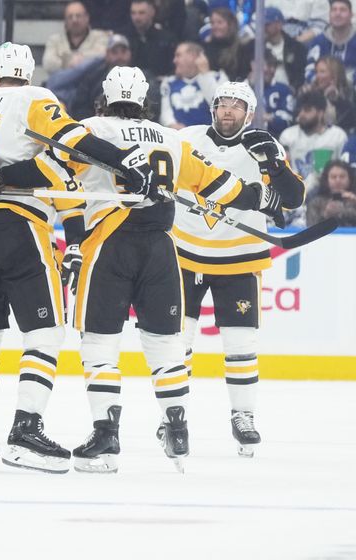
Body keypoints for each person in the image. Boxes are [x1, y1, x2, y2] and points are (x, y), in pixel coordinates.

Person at [0, 42, 152, 473]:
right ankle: (25, 430)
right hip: (19, 228)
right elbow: (76, 140)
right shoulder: (36, 98)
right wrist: (124, 163)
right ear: (28, 73)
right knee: (45, 334)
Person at [66, 68, 287, 474]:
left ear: (105, 94)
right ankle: (177, 430)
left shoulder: (91, 128)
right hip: (162, 250)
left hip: (111, 245)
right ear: (146, 96)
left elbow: (55, 169)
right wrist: (259, 197)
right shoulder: (169, 136)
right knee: (167, 346)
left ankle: (106, 435)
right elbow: (215, 182)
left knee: (99, 345)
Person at [175, 81, 305, 458]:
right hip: (184, 253)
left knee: (241, 345)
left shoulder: (264, 144)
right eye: (223, 104)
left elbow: (294, 197)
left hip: (239, 258)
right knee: (178, 343)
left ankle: (243, 415)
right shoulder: (188, 138)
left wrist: (275, 167)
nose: (228, 111)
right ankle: (174, 415)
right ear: (212, 109)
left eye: (237, 106)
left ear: (248, 114)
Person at [279, 89, 348, 195]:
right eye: (300, 110)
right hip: (294, 194)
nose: (301, 115)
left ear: (320, 113)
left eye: (307, 110)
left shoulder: (337, 136)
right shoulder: (288, 135)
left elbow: (343, 170)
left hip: (326, 195)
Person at [160, 42, 228, 129]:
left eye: (178, 55)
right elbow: (165, 114)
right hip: (178, 136)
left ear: (193, 57)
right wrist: (174, 127)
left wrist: (205, 75)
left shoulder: (218, 77)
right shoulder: (169, 82)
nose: (174, 61)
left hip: (209, 137)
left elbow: (221, 107)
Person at [42, 1, 110, 78]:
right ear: (65, 21)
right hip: (62, 86)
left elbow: (102, 57)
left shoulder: (100, 37)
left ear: (87, 17)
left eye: (78, 16)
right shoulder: (54, 40)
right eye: (70, 17)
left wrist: (66, 60)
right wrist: (69, 61)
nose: (74, 20)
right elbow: (48, 64)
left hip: (92, 86)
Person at [300, 56, 356, 133]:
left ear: (334, 75)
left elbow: (352, 120)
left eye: (322, 72)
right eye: (316, 72)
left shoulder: (349, 91)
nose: (317, 76)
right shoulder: (309, 92)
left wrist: (337, 100)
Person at [123, 0, 177, 78]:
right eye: (133, 13)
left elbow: (173, 67)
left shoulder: (166, 39)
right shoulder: (125, 38)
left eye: (141, 13)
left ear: (152, 13)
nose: (136, 17)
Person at [305, 0, 356, 83]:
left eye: (342, 10)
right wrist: (321, 82)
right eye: (334, 10)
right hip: (322, 89)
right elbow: (309, 69)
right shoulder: (319, 41)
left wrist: (343, 83)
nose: (337, 14)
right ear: (329, 15)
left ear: (351, 15)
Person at [306, 159, 356, 226]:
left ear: (350, 179)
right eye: (333, 177)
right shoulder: (316, 203)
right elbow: (310, 228)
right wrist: (325, 215)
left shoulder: (353, 199)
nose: (338, 180)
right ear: (326, 180)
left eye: (342, 176)